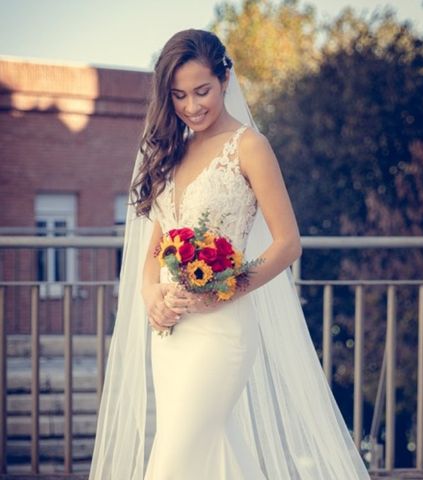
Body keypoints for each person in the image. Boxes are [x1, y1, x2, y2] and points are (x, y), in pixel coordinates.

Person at [89, 29, 370, 479]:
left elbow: (287, 243)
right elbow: (155, 241)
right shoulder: (169, 152)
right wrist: (150, 295)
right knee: (210, 450)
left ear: (224, 80)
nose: (191, 106)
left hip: (222, 330)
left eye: (202, 91)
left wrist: (223, 291)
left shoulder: (250, 147)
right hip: (172, 335)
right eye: (179, 95)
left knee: (176, 455)